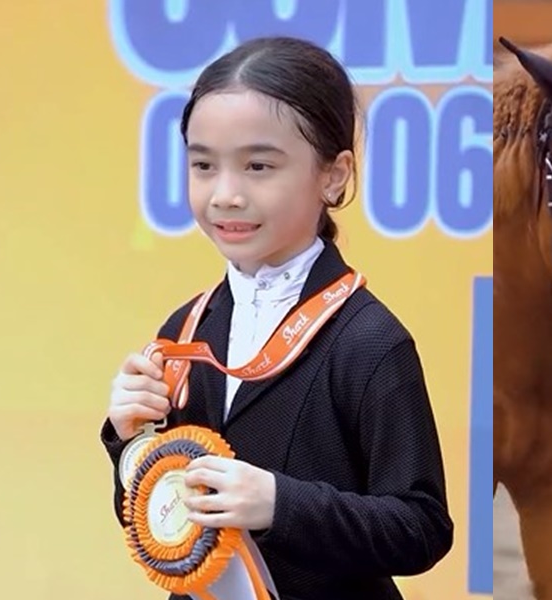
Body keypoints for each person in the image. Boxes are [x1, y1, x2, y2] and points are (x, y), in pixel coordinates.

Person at [99, 36, 454, 600]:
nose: (226, 195)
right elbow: (154, 529)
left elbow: (422, 527)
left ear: (333, 177)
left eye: (259, 165)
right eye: (203, 165)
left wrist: (279, 504)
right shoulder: (185, 331)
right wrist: (128, 442)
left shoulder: (369, 340)